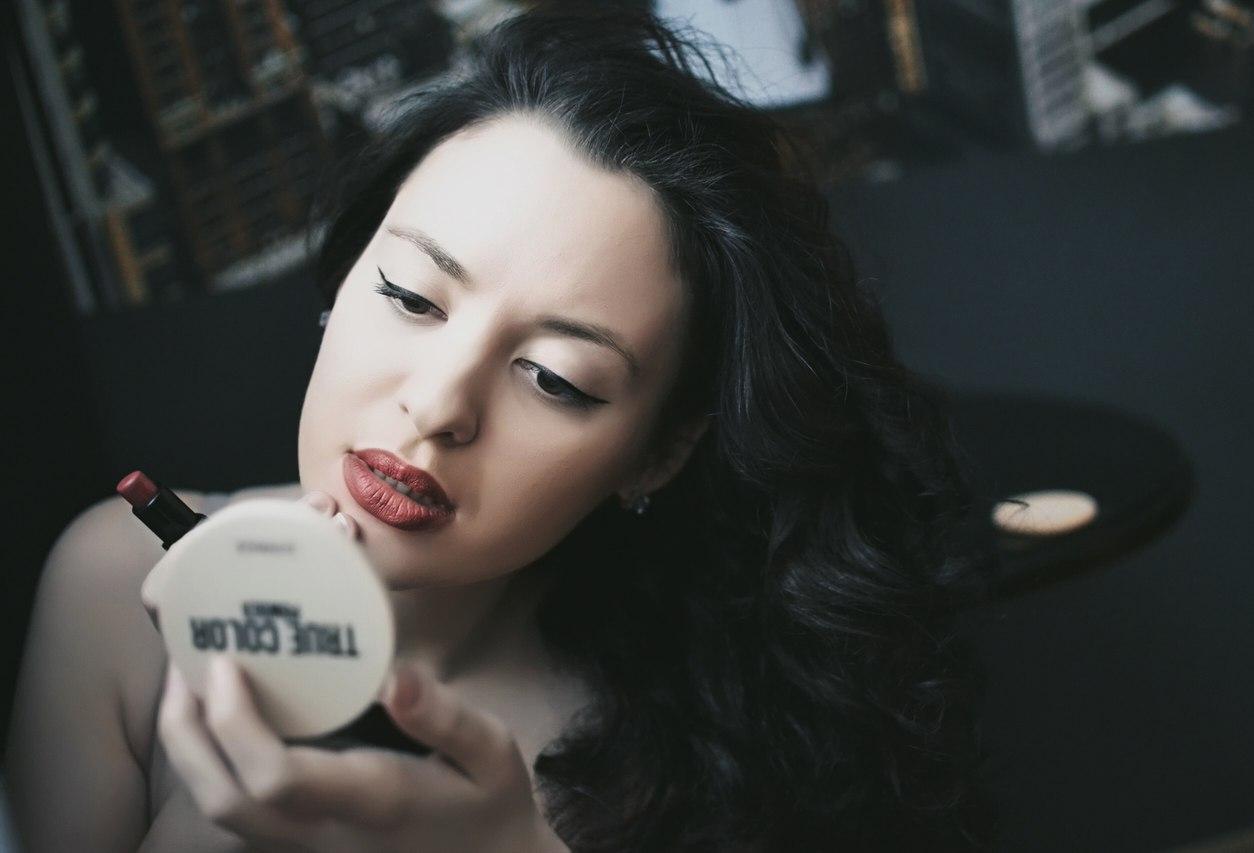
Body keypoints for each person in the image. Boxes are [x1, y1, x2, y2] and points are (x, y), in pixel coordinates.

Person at [4, 4, 1000, 850]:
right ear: (345, 278)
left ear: (657, 450)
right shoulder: (113, 589)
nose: (439, 405)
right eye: (410, 295)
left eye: (555, 379)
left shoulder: (712, 746)